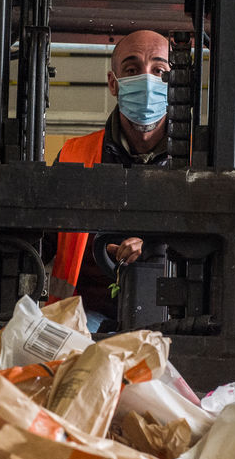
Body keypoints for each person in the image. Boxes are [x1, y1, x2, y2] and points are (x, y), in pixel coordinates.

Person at [47, 29, 172, 329]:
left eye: (159, 71)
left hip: (175, 319)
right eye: (132, 70)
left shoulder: (199, 161)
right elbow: (41, 242)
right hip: (86, 318)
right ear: (113, 84)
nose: (146, 81)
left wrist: (155, 250)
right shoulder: (74, 155)